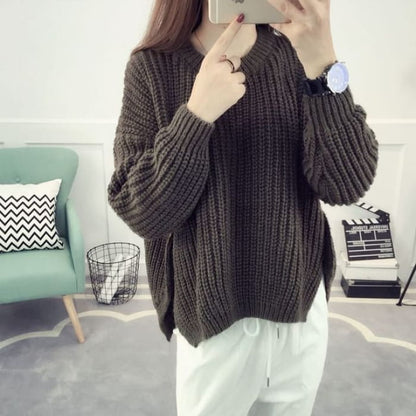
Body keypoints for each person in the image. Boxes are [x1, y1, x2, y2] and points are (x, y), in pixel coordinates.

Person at [107, 0, 379, 414]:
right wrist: (197, 114)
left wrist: (325, 65)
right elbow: (141, 209)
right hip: (213, 317)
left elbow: (347, 184)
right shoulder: (152, 68)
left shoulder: (298, 56)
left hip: (300, 309)